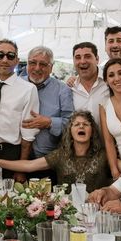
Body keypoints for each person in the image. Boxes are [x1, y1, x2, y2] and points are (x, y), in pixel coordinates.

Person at [0, 110, 111, 192]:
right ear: (70, 131)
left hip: (95, 213)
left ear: (92, 131)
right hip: (67, 214)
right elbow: (29, 165)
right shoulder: (61, 155)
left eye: (85, 124)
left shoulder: (103, 155)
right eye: (76, 124)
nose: (81, 127)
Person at [0, 39, 39, 181]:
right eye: (0, 55)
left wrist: (21, 169)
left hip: (11, 153)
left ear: (17, 60)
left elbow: (28, 134)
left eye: (10, 56)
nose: (5, 60)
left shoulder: (28, 89)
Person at [21, 46, 74, 180]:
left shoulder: (63, 90)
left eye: (43, 64)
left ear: (51, 68)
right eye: (33, 63)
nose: (37, 68)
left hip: (47, 163)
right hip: (15, 159)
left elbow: (72, 123)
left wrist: (49, 122)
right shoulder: (16, 85)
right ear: (27, 64)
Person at [69, 42, 109, 124]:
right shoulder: (70, 88)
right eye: (78, 57)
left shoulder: (110, 82)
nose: (82, 61)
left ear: (97, 59)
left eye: (87, 56)